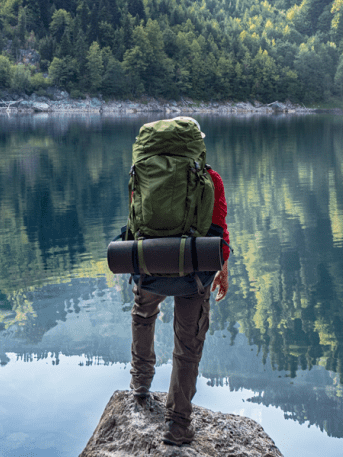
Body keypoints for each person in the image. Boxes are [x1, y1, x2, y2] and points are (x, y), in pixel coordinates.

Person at [128, 118, 231, 447]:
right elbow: (219, 230)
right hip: (193, 272)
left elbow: (136, 219)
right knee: (187, 346)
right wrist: (222, 268)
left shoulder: (142, 176)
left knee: (143, 314)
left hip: (149, 266)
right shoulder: (210, 179)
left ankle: (140, 387)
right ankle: (177, 425)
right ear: (196, 146)